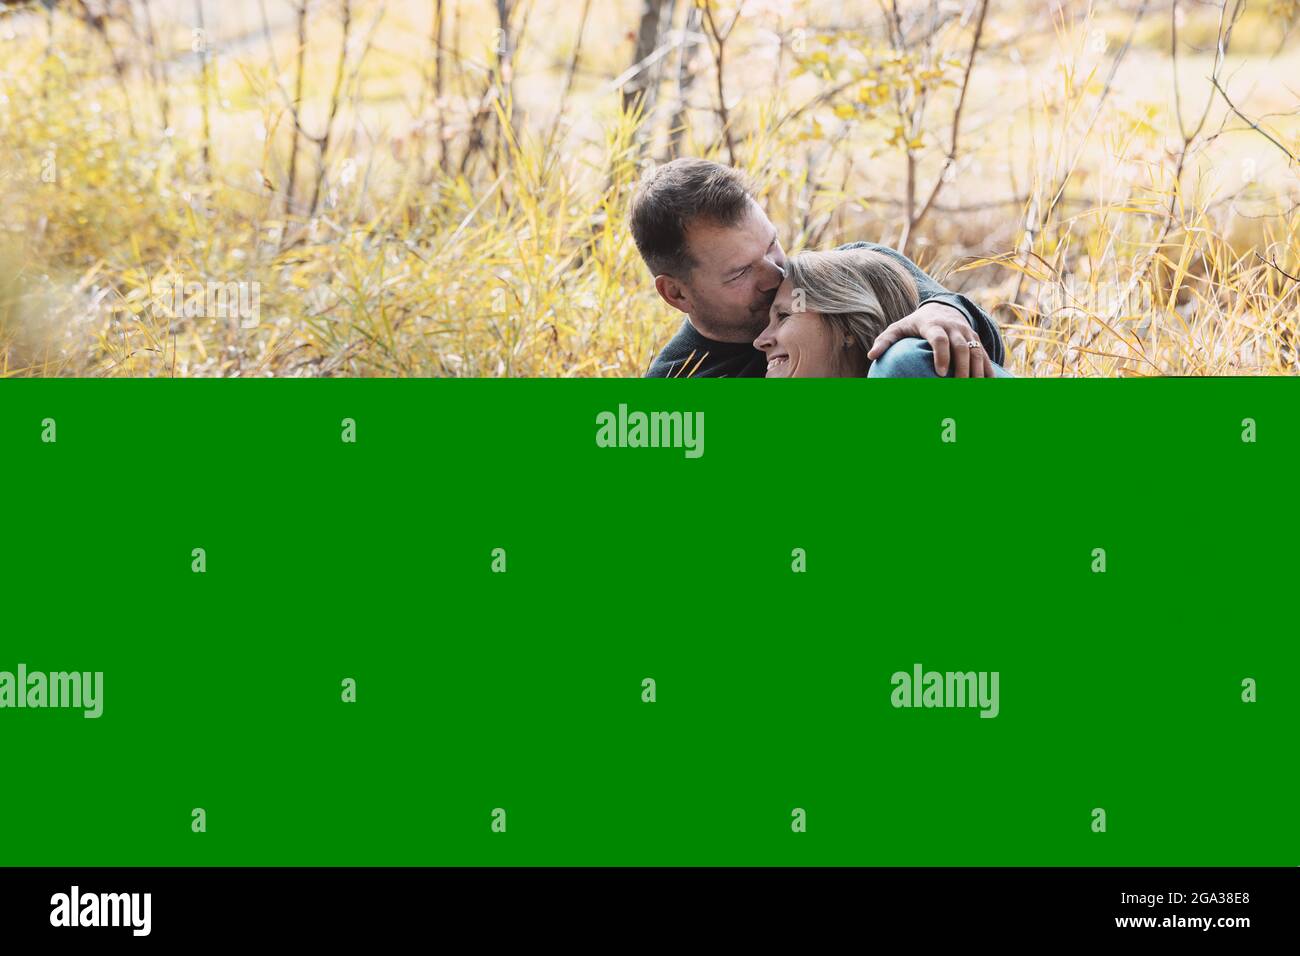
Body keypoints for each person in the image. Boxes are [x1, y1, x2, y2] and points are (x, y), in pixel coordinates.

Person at [629, 157, 1009, 378]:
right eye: (740, 272)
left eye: (772, 244)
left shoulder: (846, 273)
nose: (774, 275)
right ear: (676, 293)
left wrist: (944, 312)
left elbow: (984, 345)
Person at [755, 247, 1013, 377]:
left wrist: (947, 309)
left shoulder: (903, 365)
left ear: (847, 327)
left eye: (784, 316)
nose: (760, 340)